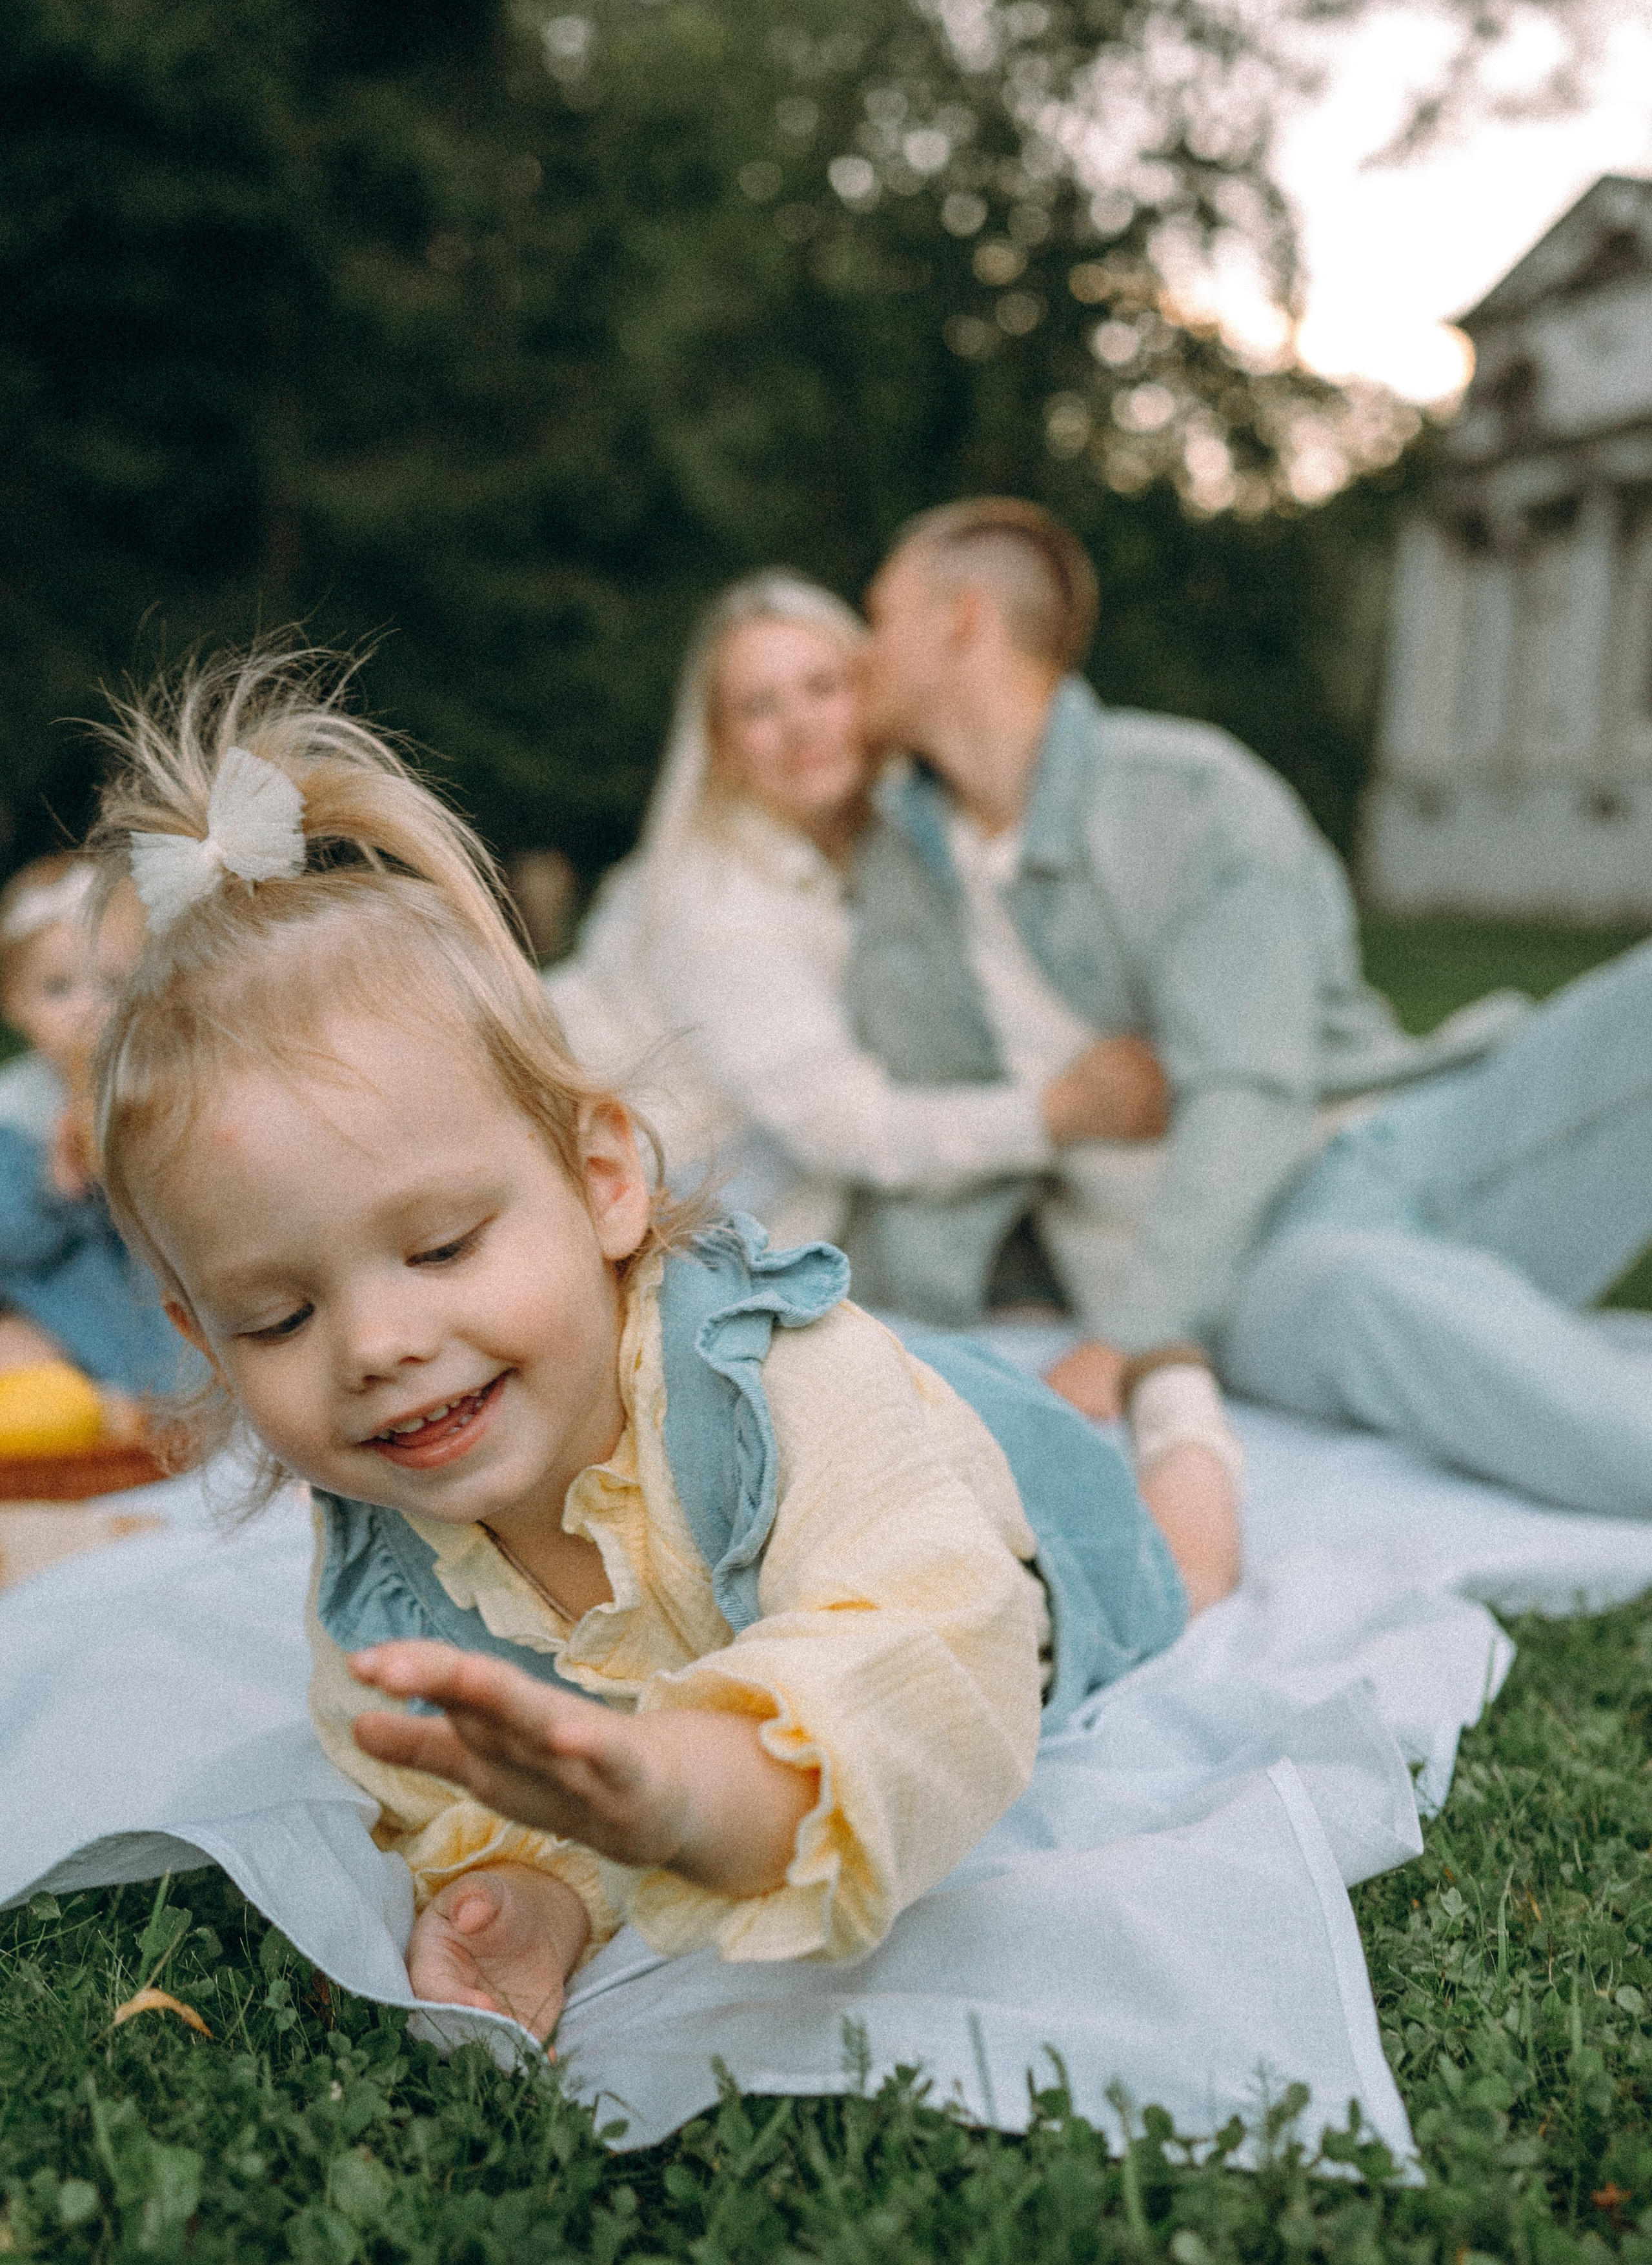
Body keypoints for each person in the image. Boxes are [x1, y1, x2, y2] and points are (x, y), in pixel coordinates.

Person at [83, 647, 1244, 2041]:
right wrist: (543, 1888)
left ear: (603, 1180)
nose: (378, 1343)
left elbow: (937, 1660)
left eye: (442, 1245)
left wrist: (688, 1788)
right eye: (278, 1316)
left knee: (1189, 1565)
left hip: (1000, 1496)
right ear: (201, 1338)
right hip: (888, 1424)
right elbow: (473, 1787)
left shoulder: (774, 1386)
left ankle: (1180, 1407)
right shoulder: (381, 1572)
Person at [849, 494, 1652, 1518]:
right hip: (1258, 1267)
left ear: (962, 620)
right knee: (1361, 1287)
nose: (860, 653)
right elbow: (903, 1124)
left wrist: (1125, 1338)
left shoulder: (1190, 797)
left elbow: (1250, 1092)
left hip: (1408, 1145)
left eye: (879, 617)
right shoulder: (901, 877)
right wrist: (1120, 1321)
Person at [547, 570, 1167, 1250]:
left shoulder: (891, 841)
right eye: (758, 707)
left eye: (823, 688)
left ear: (869, 692)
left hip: (748, 1190)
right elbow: (840, 1124)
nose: (801, 726)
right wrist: (1056, 1112)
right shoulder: (714, 900)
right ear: (721, 745)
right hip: (621, 1200)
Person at [0, 854, 183, 1396]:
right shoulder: (17, 1109)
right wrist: (55, 1188)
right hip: (71, 1312)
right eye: (58, 989)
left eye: (113, 984)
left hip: (164, 1298)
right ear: (13, 1005)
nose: (89, 1010)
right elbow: (11, 1243)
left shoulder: (166, 1082)